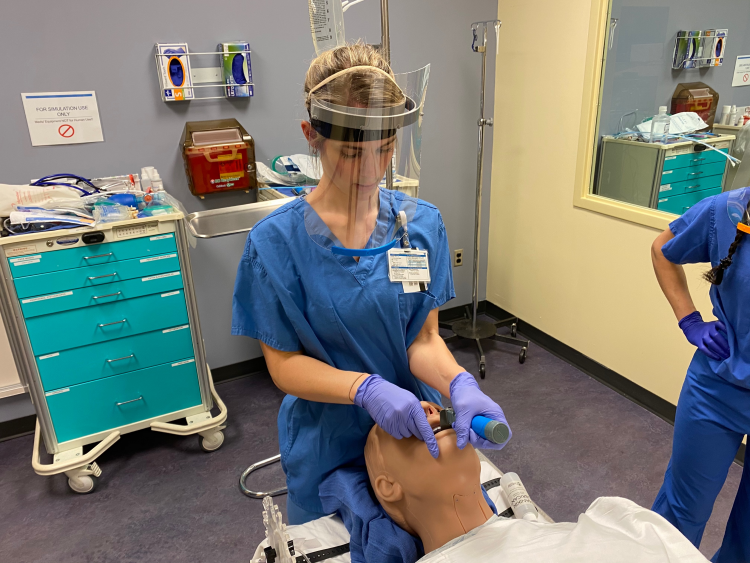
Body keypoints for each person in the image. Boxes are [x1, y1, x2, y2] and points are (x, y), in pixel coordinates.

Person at [232, 42, 510, 525]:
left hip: (412, 435)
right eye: (351, 153)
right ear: (311, 136)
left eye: (385, 150)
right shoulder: (275, 244)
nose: (369, 171)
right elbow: (284, 367)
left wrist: (458, 383)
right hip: (326, 445)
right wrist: (365, 389)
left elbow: (422, 340)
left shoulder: (421, 226)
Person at [364, 404, 709, 563]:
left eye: (435, 409)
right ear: (387, 486)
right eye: (404, 426)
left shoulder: (615, 521)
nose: (428, 410)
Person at [651, 187, 750, 563]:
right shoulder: (726, 212)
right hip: (718, 388)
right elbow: (663, 250)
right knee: (679, 514)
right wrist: (689, 320)